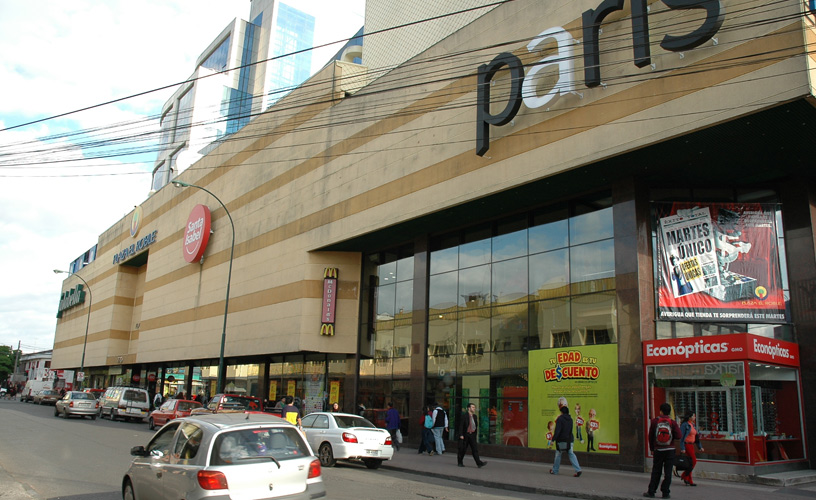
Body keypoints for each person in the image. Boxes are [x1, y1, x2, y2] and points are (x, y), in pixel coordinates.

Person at [644, 403, 681, 498]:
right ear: (669, 412)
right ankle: (665, 492)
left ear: (660, 411)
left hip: (658, 450)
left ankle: (651, 491)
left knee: (656, 471)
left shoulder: (655, 421)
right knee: (668, 472)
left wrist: (652, 448)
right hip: (670, 450)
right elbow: (679, 436)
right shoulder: (672, 422)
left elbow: (650, 436)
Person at [550, 404, 582, 477]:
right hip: (569, 440)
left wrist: (553, 440)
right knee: (571, 454)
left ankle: (555, 470)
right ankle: (578, 469)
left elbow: (557, 431)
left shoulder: (560, 419)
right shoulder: (570, 419)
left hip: (561, 440)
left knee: (558, 455)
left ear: (562, 412)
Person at [456, 402, 486, 468]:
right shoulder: (464, 416)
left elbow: (475, 426)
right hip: (465, 435)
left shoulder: (474, 416)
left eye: (474, 407)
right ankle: (460, 462)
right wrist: (461, 434)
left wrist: (475, 434)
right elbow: (461, 426)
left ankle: (479, 463)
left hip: (472, 435)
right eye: (472, 407)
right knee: (463, 449)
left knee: (475, 449)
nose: (474, 408)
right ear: (469, 408)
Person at [679, 411, 704, 487]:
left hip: (691, 445)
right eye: (693, 416)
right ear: (689, 417)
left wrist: (700, 446)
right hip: (687, 445)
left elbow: (696, 437)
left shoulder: (692, 425)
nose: (694, 418)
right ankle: (685, 475)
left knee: (690, 463)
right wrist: (682, 447)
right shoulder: (685, 425)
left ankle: (688, 479)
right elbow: (681, 437)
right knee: (693, 461)